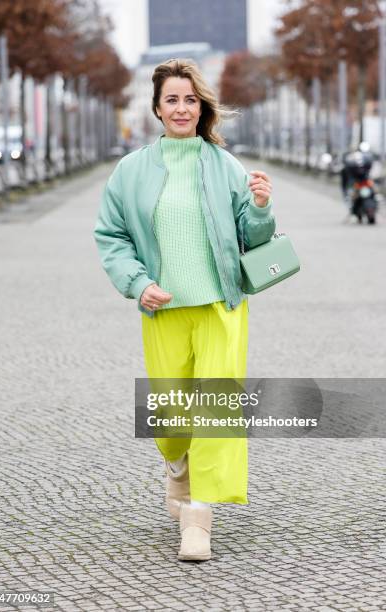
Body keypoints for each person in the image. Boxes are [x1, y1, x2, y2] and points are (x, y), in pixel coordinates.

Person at [94, 58, 276, 562]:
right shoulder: (130, 172)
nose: (181, 108)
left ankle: (199, 517)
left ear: (202, 107)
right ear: (156, 107)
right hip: (163, 308)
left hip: (221, 307)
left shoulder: (225, 166)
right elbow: (111, 236)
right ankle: (177, 467)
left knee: (215, 412)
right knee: (171, 414)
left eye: (190, 99)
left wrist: (260, 207)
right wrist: (137, 283)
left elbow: (252, 237)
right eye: (172, 99)